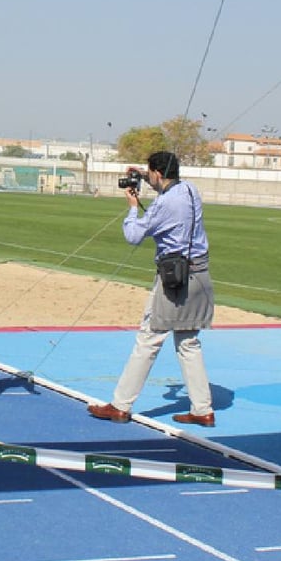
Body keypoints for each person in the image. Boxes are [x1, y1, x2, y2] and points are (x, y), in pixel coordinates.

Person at [88, 151, 217, 427]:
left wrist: (133, 206)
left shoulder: (163, 204)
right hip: (200, 275)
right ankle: (202, 409)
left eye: (150, 173)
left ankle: (120, 405)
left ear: (157, 173)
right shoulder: (191, 190)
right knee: (188, 342)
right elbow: (165, 185)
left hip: (174, 279)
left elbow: (133, 236)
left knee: (149, 339)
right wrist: (144, 175)